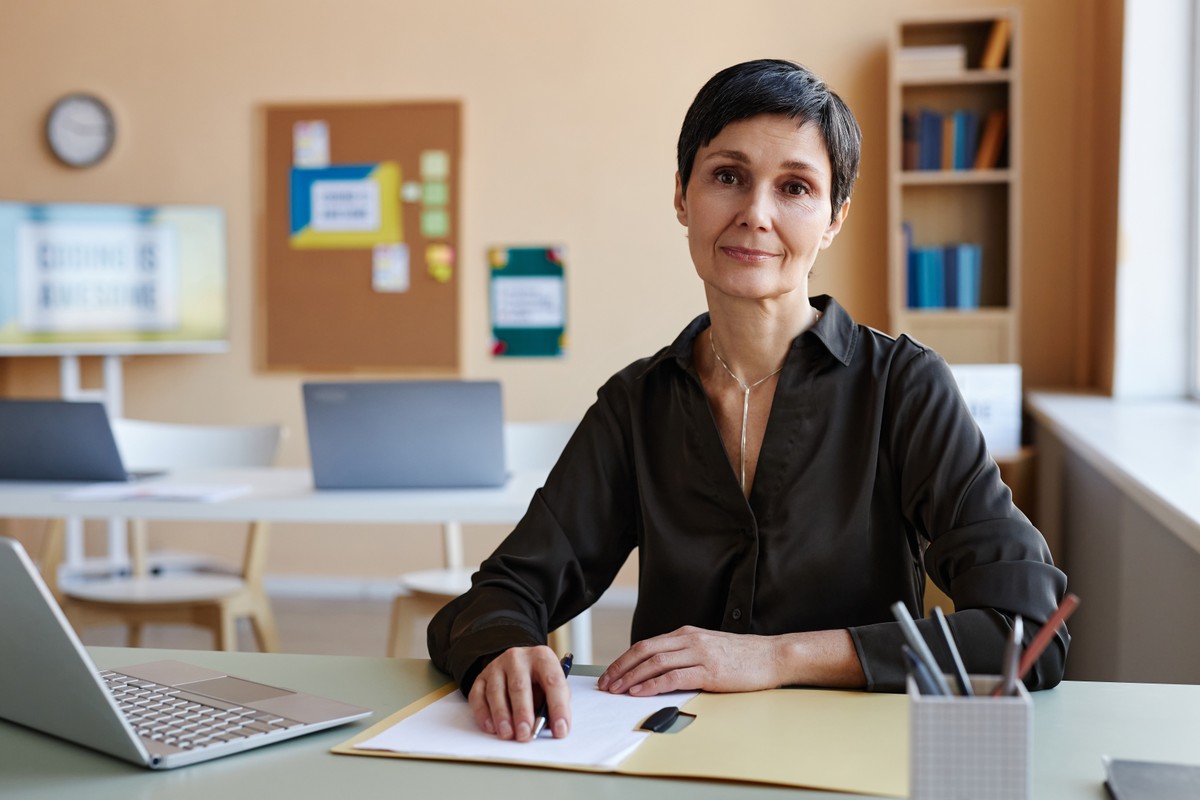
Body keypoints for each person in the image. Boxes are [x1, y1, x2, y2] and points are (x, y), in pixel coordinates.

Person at [428, 59, 1068, 743]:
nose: (755, 215)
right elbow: (499, 594)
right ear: (682, 195)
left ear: (833, 219)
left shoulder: (905, 387)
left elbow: (1027, 629)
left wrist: (776, 657)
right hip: (673, 758)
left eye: (794, 187)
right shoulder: (636, 404)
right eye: (727, 177)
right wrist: (503, 648)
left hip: (854, 761)